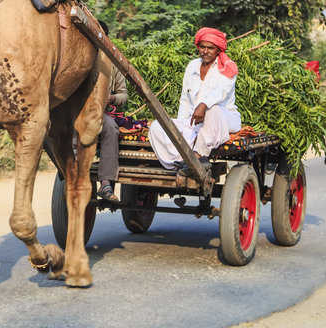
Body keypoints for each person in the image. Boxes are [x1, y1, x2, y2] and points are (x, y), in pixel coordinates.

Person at [148, 27, 242, 169]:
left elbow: (221, 92)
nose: (205, 51)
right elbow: (185, 99)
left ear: (218, 50)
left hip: (223, 118)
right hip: (195, 121)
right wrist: (183, 124)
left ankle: (198, 155)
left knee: (212, 110)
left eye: (210, 48)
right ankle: (178, 160)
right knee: (157, 127)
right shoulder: (192, 66)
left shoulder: (228, 67)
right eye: (202, 47)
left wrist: (203, 105)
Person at [97, 22, 127, 203]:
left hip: (102, 113)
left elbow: (123, 95)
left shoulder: (113, 64)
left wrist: (112, 98)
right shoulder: (78, 58)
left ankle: (106, 183)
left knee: (111, 128)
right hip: (77, 112)